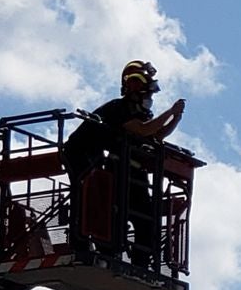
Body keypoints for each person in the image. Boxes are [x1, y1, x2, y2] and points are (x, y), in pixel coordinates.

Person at [63, 60, 185, 269]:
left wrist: (176, 117)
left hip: (111, 163)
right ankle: (82, 244)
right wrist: (170, 112)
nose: (149, 97)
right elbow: (142, 130)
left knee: (143, 215)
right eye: (146, 92)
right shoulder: (119, 108)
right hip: (81, 153)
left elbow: (155, 135)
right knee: (89, 198)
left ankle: (140, 262)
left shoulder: (140, 113)